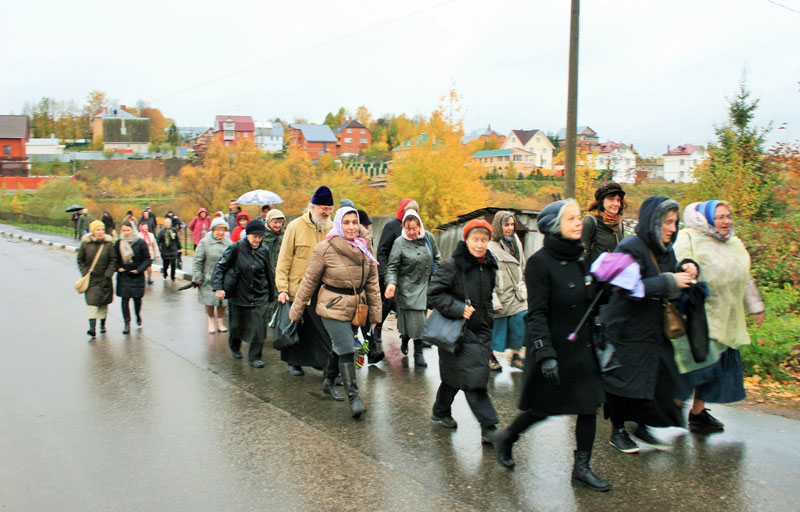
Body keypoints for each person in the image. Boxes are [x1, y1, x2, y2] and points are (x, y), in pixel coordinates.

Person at [493, 200, 609, 492]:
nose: (579, 222)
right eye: (571, 218)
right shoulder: (539, 263)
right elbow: (537, 313)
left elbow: (585, 301)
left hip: (581, 348)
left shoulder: (579, 256)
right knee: (542, 408)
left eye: (579, 217)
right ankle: (507, 436)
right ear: (556, 226)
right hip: (553, 348)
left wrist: (601, 287)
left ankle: (581, 468)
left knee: (588, 406)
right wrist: (545, 353)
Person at [597, 195, 698, 453]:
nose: (672, 228)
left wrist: (687, 267)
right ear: (653, 221)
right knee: (623, 382)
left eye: (675, 222)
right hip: (625, 329)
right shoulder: (630, 247)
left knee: (656, 377)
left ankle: (641, 424)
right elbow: (626, 287)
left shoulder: (664, 248)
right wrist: (669, 282)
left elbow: (670, 270)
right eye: (667, 222)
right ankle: (618, 431)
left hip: (651, 328)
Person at [673, 200, 765, 431]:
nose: (726, 221)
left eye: (728, 216)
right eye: (720, 217)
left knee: (715, 369)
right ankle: (668, 409)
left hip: (728, 317)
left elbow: (744, 275)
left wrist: (755, 306)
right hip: (700, 316)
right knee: (696, 367)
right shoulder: (689, 238)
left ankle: (698, 413)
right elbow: (677, 267)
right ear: (707, 218)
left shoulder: (734, 243)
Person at [289, 207, 381, 418]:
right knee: (347, 348)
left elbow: (372, 283)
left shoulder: (365, 247)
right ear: (339, 224)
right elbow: (309, 281)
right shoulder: (324, 249)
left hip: (356, 308)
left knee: (339, 347)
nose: (351, 227)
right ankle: (354, 398)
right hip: (331, 307)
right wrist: (296, 310)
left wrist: (376, 315)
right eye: (346, 222)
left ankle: (328, 381)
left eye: (354, 222)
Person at [428, 219, 499, 444]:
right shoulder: (453, 265)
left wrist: (489, 320)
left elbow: (487, 299)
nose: (479, 244)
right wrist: (458, 308)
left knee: (456, 375)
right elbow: (434, 293)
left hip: (481, 330)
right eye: (475, 239)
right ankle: (489, 427)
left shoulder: (490, 266)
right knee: (473, 378)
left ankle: (440, 411)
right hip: (457, 330)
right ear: (466, 240)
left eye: (484, 240)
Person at [275, 186, 336, 376]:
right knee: (297, 327)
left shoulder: (332, 229)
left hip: (322, 289)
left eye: (330, 209)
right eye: (323, 208)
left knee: (321, 330)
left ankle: (324, 364)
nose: (326, 213)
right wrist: (282, 289)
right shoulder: (295, 227)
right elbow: (284, 259)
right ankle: (294, 362)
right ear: (313, 207)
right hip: (298, 287)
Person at [212, 220, 276, 368]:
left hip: (259, 294)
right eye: (254, 237)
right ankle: (235, 347)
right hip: (239, 294)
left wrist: (272, 294)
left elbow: (269, 272)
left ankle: (255, 357)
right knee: (236, 326)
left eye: (260, 237)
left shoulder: (264, 250)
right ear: (247, 235)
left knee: (259, 328)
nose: (257, 240)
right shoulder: (235, 248)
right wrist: (218, 287)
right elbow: (221, 267)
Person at [384, 210, 442, 368]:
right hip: (407, 287)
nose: (411, 232)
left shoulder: (428, 238)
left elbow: (437, 257)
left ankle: (412, 345)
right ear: (403, 227)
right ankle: (412, 345)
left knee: (419, 320)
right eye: (407, 228)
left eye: (414, 228)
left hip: (425, 286)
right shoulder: (399, 243)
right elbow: (392, 267)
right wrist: (391, 283)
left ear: (419, 226)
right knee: (414, 320)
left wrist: (435, 274)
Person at [375, 199, 419, 353]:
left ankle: (406, 338)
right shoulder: (392, 226)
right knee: (387, 304)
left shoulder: (417, 229)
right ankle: (377, 328)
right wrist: (383, 273)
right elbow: (382, 251)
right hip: (391, 275)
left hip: (409, 278)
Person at [488, 211, 527, 371]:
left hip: (516, 292)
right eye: (506, 225)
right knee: (495, 327)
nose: (510, 228)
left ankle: (516, 355)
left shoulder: (516, 242)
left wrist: (522, 283)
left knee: (521, 319)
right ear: (499, 226)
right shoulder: (490, 247)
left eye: (512, 224)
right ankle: (489, 355)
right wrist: (492, 294)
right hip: (499, 291)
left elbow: (521, 264)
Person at [77, 220, 117, 337]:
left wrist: (108, 274)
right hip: (91, 279)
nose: (100, 232)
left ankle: (102, 324)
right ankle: (92, 328)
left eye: (102, 229)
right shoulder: (86, 244)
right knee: (92, 303)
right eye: (97, 229)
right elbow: (80, 260)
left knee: (103, 303)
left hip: (105, 279)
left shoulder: (108, 244)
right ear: (92, 231)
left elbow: (113, 260)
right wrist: (85, 272)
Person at [193, 217, 232, 333]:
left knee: (222, 302)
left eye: (223, 230)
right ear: (213, 230)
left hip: (224, 280)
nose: (220, 232)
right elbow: (197, 261)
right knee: (209, 302)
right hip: (208, 278)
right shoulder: (205, 243)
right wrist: (198, 276)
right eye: (218, 230)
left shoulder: (229, 244)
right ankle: (210, 321)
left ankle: (219, 322)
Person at [115, 220, 151, 334]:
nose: (126, 233)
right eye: (124, 230)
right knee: (124, 299)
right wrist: (118, 267)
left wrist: (139, 270)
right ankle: (127, 323)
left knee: (137, 299)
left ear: (133, 230)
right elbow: (114, 258)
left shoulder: (140, 242)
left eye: (128, 230)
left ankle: (137, 315)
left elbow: (147, 259)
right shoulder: (119, 242)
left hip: (137, 275)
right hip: (124, 275)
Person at [263, 209, 285, 322]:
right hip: (265, 273)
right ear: (268, 222)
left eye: (280, 222)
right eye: (275, 222)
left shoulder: (285, 235)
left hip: (280, 272)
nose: (278, 225)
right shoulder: (262, 237)